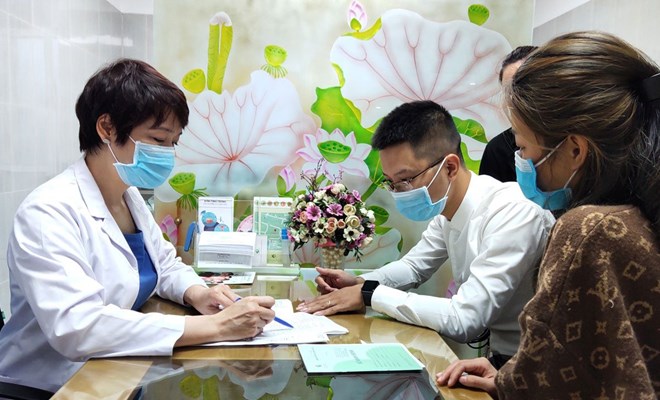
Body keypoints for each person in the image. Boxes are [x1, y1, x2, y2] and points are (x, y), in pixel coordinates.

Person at [0, 59, 276, 393]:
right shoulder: (49, 212)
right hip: (50, 387)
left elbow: (165, 265)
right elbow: (78, 328)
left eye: (174, 142)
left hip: (116, 373)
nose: (168, 154)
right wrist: (217, 327)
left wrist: (199, 293)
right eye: (158, 139)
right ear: (107, 128)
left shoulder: (129, 198)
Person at [437, 31, 660, 399]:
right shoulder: (638, 217)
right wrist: (512, 376)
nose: (520, 161)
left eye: (523, 147)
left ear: (574, 150)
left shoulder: (589, 230)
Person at [297, 100, 555, 366]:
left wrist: (369, 294)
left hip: (531, 365)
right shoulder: (447, 210)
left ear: (450, 167)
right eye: (391, 182)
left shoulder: (513, 213)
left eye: (406, 179)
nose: (399, 192)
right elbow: (413, 267)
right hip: (497, 359)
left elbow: (464, 320)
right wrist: (359, 282)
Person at [478, 46, 537, 182]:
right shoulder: (497, 150)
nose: (513, 100)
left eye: (522, 89)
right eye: (508, 92)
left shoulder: (568, 141)